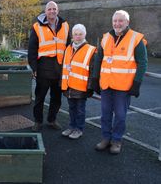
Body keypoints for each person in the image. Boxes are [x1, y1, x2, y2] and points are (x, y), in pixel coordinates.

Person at [92, 10, 148, 154]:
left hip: (123, 87)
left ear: (127, 22)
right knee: (105, 114)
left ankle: (116, 140)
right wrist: (95, 79)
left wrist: (136, 84)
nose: (117, 23)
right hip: (106, 84)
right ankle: (106, 138)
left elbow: (143, 63)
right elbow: (98, 59)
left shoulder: (136, 39)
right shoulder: (106, 38)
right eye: (115, 21)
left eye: (120, 20)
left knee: (121, 116)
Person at [28, 1, 71, 131]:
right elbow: (32, 49)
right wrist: (34, 67)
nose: (52, 11)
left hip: (59, 68)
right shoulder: (37, 27)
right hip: (43, 67)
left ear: (57, 11)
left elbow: (69, 46)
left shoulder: (65, 25)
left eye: (54, 9)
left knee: (56, 98)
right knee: (40, 97)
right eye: (49, 9)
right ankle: (38, 121)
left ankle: (52, 120)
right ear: (45, 12)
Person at [61, 24, 96, 139]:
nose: (77, 36)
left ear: (84, 35)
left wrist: (90, 87)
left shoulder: (90, 50)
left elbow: (92, 70)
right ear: (72, 35)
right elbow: (64, 68)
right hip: (69, 86)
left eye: (80, 34)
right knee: (71, 109)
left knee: (80, 110)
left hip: (81, 87)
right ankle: (71, 127)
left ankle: (79, 129)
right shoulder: (68, 48)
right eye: (75, 34)